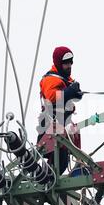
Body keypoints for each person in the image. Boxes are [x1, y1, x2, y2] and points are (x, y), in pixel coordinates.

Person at [37, 46, 83, 175]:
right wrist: (69, 92)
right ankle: (45, 181)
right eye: (66, 63)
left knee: (61, 162)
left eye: (70, 62)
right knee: (57, 161)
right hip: (50, 124)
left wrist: (75, 92)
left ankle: (48, 180)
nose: (69, 66)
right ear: (58, 63)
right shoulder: (50, 79)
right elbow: (52, 98)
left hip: (61, 123)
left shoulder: (64, 79)